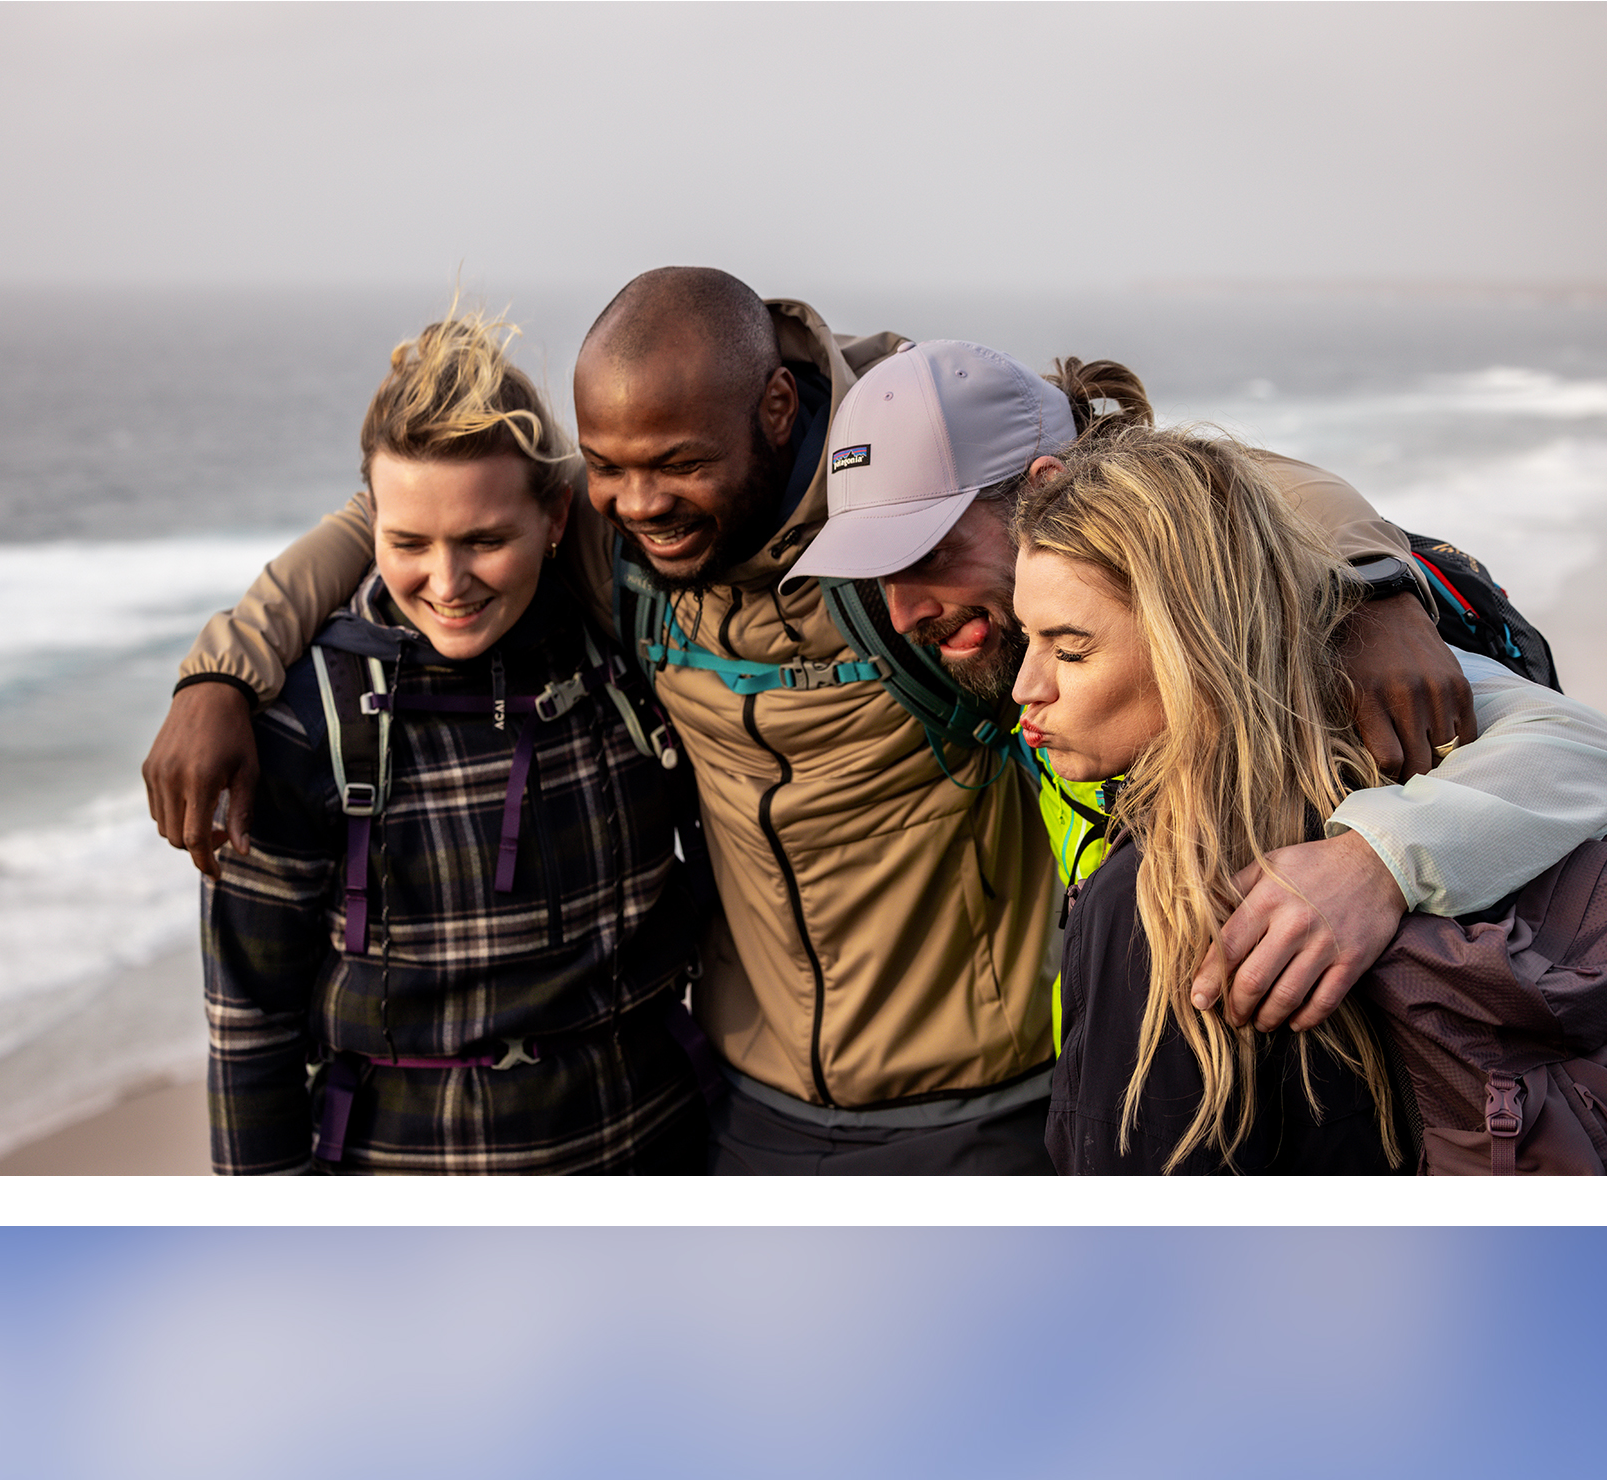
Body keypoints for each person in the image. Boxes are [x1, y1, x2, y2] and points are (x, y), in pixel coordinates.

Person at [144, 268, 1472, 1173]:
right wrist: (221, 670)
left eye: (676, 465)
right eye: (611, 472)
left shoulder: (909, 476)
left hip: (993, 1111)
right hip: (755, 1112)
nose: (641, 498)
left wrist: (1369, 585)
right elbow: (428, 513)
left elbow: (1198, 490)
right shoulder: (613, 539)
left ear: (774, 411)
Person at [792, 341, 1600, 1046]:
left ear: (1045, 487)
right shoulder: (1024, 632)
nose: (901, 614)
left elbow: (1578, 751)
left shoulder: (1285, 617)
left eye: (927, 553)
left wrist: (1375, 863)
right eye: (880, 576)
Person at [1011, 425, 1607, 1172]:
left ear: (1194, 644)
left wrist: (1378, 863)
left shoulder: (1154, 900)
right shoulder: (1421, 781)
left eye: (1069, 649)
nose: (1024, 688)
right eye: (1025, 638)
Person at [205, 305, 706, 1172]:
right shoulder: (307, 714)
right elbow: (249, 1020)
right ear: (371, 526)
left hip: (662, 1148)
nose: (446, 583)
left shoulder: (624, 642)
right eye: (408, 542)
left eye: (484, 540)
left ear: (555, 520)